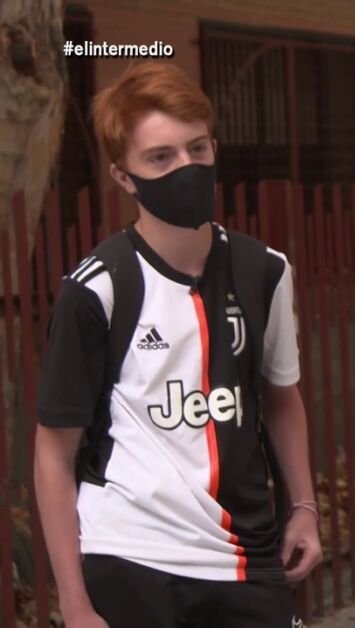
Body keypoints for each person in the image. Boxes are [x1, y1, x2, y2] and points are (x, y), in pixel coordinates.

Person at [33, 61, 322, 628]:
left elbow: (281, 398)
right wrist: (75, 604)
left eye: (197, 149)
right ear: (124, 177)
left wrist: (305, 508)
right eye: (161, 158)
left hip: (245, 555)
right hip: (131, 555)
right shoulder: (96, 290)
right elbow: (53, 452)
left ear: (214, 148)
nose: (186, 169)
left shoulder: (265, 271)